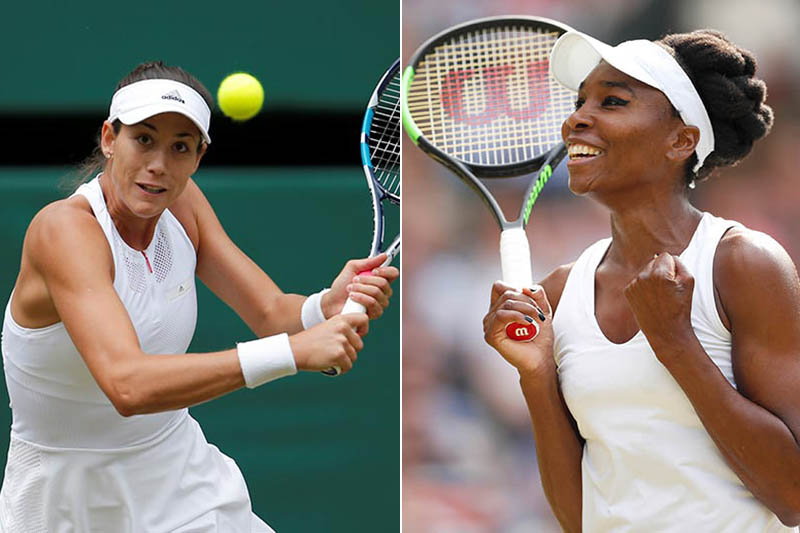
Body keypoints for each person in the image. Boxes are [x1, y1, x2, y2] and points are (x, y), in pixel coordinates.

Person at [0, 61, 398, 532]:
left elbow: (272, 313)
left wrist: (321, 308)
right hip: (66, 503)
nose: (158, 165)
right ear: (109, 138)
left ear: (198, 158)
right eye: (143, 139)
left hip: (181, 483)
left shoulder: (184, 206)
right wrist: (293, 351)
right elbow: (127, 384)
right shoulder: (64, 230)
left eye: (180, 147)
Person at [483, 29, 800, 532]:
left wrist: (676, 344)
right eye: (579, 100)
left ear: (681, 140)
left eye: (611, 101)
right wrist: (536, 374)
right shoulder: (561, 292)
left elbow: (793, 496)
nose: (577, 118)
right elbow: (578, 520)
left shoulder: (744, 263)